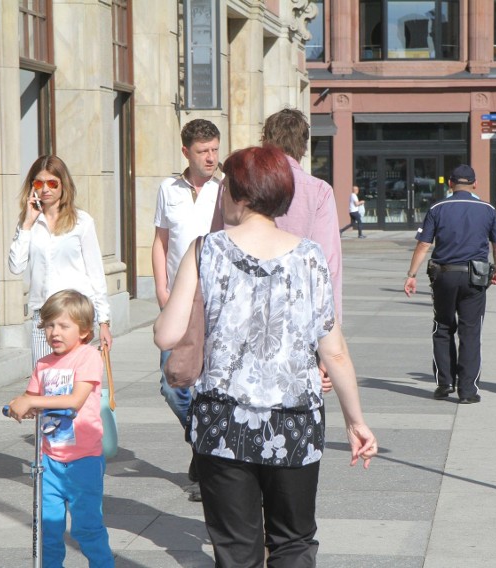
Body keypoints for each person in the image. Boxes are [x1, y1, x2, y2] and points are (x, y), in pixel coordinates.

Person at [153, 145, 377, 567]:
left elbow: (167, 335)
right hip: (294, 422)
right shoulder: (309, 256)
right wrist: (355, 422)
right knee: (293, 541)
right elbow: (335, 351)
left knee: (237, 549)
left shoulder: (206, 249)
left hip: (222, 422)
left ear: (237, 194)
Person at [6, 290, 114, 568]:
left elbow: (75, 400)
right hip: (49, 461)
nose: (55, 332)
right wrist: (21, 405)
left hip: (84, 461)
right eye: (50, 325)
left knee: (86, 528)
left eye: (64, 326)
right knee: (48, 531)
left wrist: (32, 401)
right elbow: (30, 399)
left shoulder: (88, 357)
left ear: (84, 331)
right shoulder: (43, 364)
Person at [151, 118, 223, 501]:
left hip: (214, 301)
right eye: (203, 151)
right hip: (179, 301)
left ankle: (206, 459)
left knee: (208, 385)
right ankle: (202, 443)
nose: (211, 157)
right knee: (172, 384)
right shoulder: (169, 189)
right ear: (186, 153)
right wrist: (163, 291)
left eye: (214, 149)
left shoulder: (226, 188)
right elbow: (160, 241)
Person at [403, 165, 496, 403]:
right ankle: (468, 391)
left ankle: (444, 383)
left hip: (444, 276)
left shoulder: (438, 208)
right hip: (475, 277)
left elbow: (423, 245)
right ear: (475, 184)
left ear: (450, 184)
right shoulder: (488, 209)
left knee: (443, 327)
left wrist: (412, 274)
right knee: (471, 332)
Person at [9, 155, 112, 367]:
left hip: (76, 316)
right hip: (43, 316)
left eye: (52, 183)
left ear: (63, 185)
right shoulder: (28, 223)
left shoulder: (81, 222)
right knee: (43, 383)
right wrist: (27, 224)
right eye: (38, 183)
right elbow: (15, 266)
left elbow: (95, 273)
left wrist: (103, 321)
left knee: (73, 383)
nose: (45, 189)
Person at [262, 108, 343, 322]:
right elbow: (327, 263)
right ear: (303, 146)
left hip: (245, 311)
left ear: (265, 140)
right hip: (299, 311)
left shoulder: (234, 185)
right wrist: (331, 324)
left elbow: (216, 246)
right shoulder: (318, 190)